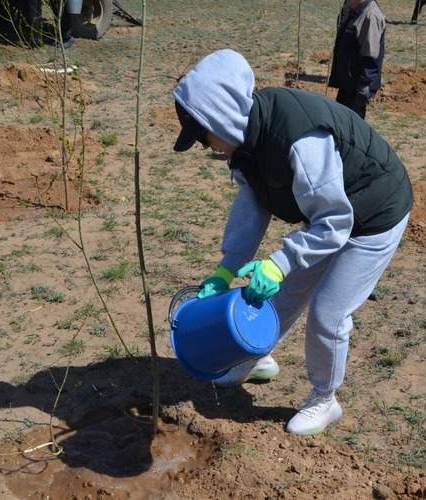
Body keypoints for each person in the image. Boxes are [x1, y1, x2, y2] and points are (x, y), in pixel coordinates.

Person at [172, 49, 413, 436]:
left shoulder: (299, 140)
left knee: (328, 314)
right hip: (330, 212)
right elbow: (251, 208)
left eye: (203, 135)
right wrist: (226, 268)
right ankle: (255, 356)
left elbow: (335, 221)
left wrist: (280, 262)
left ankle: (324, 399)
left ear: (221, 117)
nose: (205, 145)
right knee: (277, 294)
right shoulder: (245, 143)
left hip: (373, 211)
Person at [328, 0, 385, 119]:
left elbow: (370, 55)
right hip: (348, 82)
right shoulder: (353, 10)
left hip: (357, 86)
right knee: (341, 121)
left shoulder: (370, 16)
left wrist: (364, 86)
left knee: (351, 125)